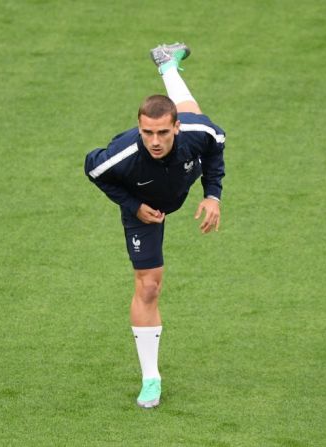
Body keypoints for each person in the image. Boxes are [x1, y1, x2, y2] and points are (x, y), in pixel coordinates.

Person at [83, 43, 226, 409]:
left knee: (197, 116)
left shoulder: (195, 133)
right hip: (144, 203)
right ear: (139, 128)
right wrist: (133, 205)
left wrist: (213, 196)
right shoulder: (122, 156)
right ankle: (151, 378)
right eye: (148, 132)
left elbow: (216, 147)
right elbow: (92, 169)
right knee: (148, 286)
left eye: (163, 132)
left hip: (182, 170)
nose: (156, 141)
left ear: (174, 129)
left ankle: (167, 65)